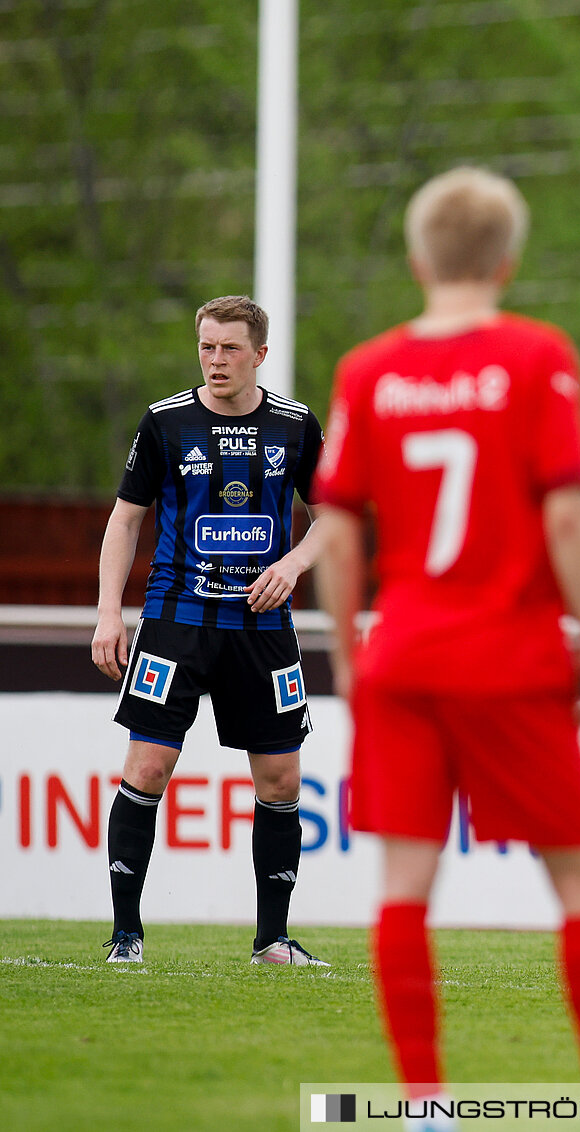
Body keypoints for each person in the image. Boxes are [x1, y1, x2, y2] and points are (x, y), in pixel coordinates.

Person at [310, 167, 580, 1132]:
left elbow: (337, 533)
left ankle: (424, 1107)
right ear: (508, 261)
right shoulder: (535, 354)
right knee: (579, 882)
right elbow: (570, 515)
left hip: (404, 657)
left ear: (418, 259)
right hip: (509, 653)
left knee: (403, 887)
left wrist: (347, 657)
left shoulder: (367, 370)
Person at [91, 295, 328, 967]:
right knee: (147, 766)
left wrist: (294, 561)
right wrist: (111, 610)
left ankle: (272, 942)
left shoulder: (294, 425)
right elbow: (125, 519)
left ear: (259, 353)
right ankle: (126, 938)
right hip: (177, 622)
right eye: (206, 347)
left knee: (281, 779)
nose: (215, 360)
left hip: (261, 627)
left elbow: (336, 514)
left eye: (229, 348)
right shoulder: (166, 423)